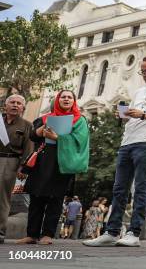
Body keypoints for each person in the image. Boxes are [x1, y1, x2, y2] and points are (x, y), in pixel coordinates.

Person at [84, 55, 146, 247]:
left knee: (141, 187)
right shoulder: (140, 91)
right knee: (119, 189)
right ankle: (112, 231)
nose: (144, 74)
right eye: (142, 71)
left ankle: (134, 232)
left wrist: (142, 114)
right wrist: (124, 116)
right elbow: (135, 116)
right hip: (127, 142)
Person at [17, 90, 89, 245]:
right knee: (36, 198)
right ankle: (31, 235)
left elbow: (80, 141)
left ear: (74, 101)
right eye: (63, 97)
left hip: (62, 164)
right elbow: (32, 136)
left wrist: (59, 138)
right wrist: (41, 130)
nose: (66, 99)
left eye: (70, 97)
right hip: (42, 163)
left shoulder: (79, 120)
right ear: (57, 100)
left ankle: (47, 234)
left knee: (55, 200)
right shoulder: (44, 118)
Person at [0, 94, 33, 244]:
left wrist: (23, 168)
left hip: (10, 161)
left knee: (3, 198)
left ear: (23, 108)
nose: (15, 105)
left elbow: (28, 148)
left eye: (18, 103)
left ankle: (0, 232)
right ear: (5, 106)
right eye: (12, 102)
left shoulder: (26, 125)